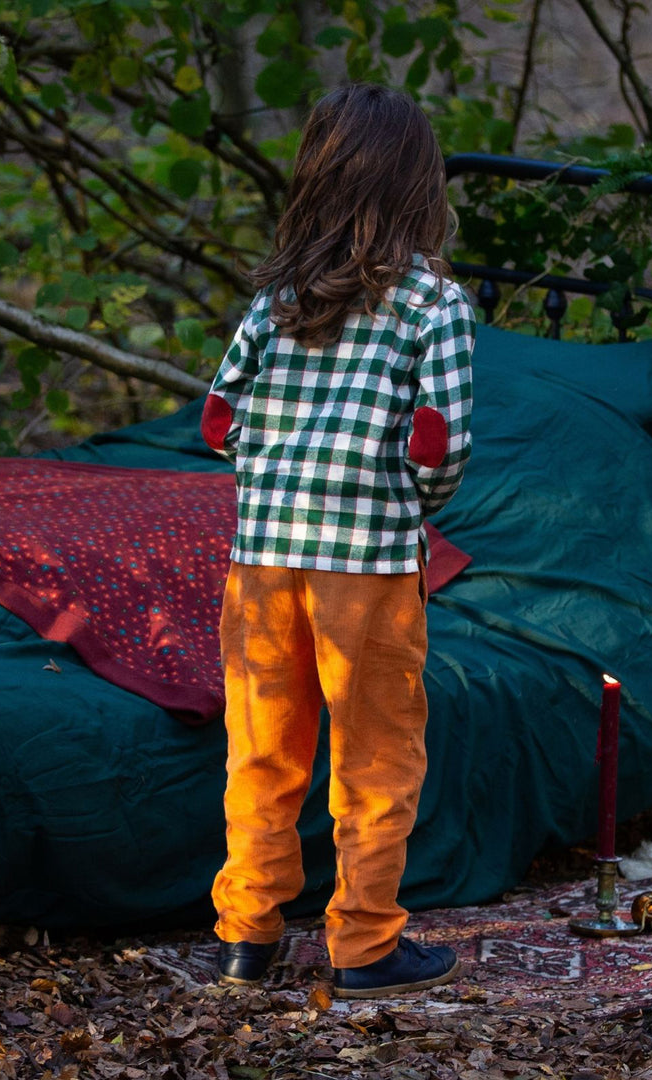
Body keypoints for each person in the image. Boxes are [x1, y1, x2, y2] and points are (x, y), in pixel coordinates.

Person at [200, 82, 475, 999]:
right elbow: (441, 442)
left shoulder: (278, 297)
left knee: (263, 750)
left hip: (263, 558)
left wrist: (275, 470)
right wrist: (413, 495)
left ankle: (247, 933)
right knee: (375, 756)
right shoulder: (433, 303)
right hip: (368, 564)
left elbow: (219, 417)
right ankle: (363, 944)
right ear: (418, 186)